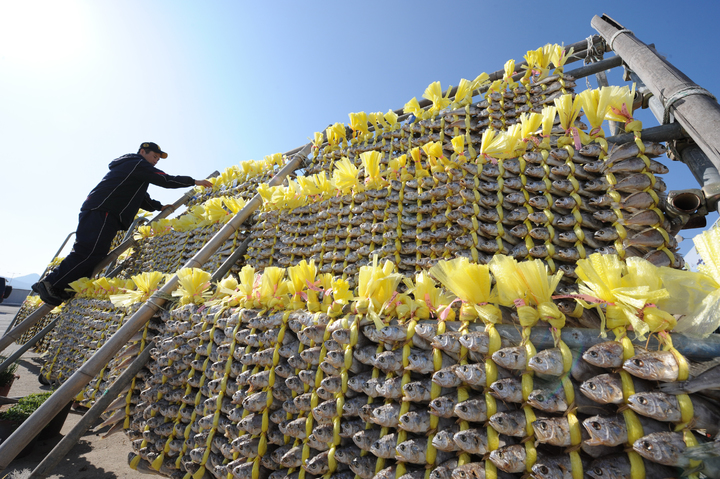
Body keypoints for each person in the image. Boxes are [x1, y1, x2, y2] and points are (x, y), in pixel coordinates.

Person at [32, 142, 213, 306]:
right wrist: (193, 181)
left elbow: (140, 197)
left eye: (158, 158)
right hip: (104, 210)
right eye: (154, 156)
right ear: (142, 151)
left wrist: (158, 207)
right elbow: (163, 179)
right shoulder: (136, 163)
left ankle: (63, 287)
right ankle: (50, 283)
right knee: (88, 251)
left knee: (96, 254)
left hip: (106, 212)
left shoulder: (136, 169)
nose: (156, 160)